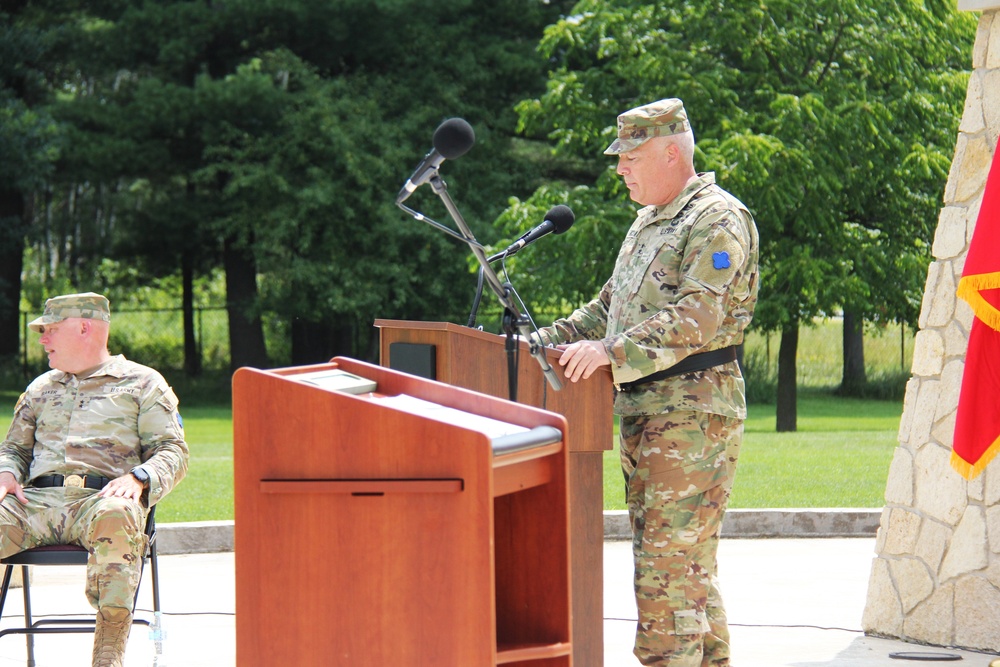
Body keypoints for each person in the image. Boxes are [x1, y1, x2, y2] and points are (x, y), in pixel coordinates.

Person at [534, 99, 759, 666]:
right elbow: (608, 308)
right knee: (686, 569)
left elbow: (696, 319)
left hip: (692, 416)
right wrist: (539, 342)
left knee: (666, 575)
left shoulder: (717, 219)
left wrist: (607, 352)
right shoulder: (649, 222)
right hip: (647, 413)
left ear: (670, 152)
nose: (620, 169)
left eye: (630, 157)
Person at [0, 292, 189, 667]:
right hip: (35, 503)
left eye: (50, 330)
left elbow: (173, 450)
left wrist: (139, 478)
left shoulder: (142, 384)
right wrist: (5, 474)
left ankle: (108, 653)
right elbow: (14, 451)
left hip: (102, 499)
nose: (42, 339)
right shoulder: (40, 388)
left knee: (118, 513)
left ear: (84, 328)